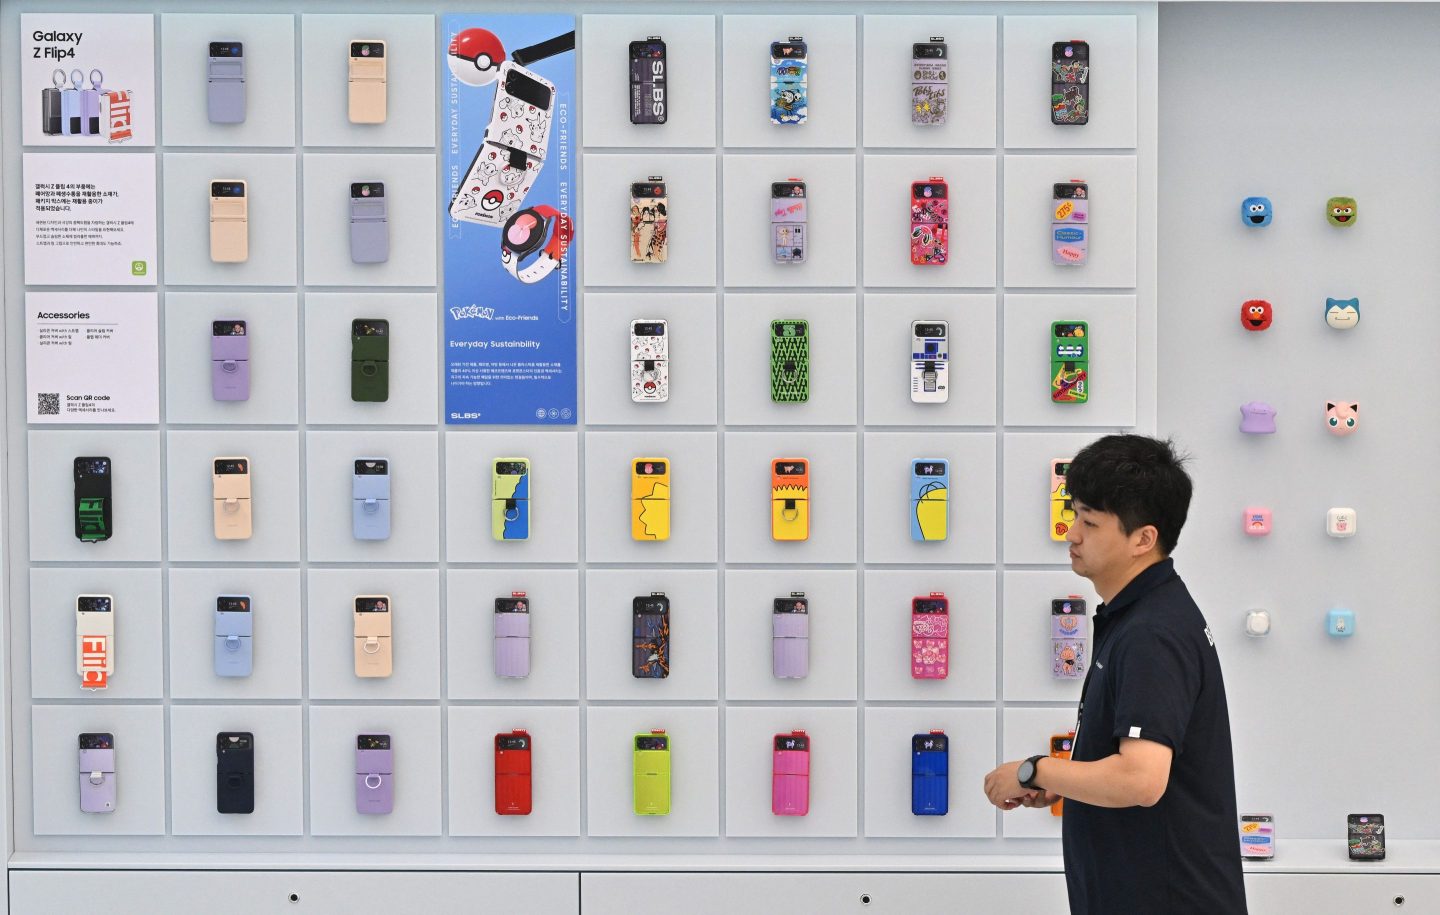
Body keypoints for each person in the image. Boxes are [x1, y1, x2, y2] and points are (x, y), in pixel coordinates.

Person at [982, 435, 1247, 914]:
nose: (1072, 534)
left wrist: (1034, 770)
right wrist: (1064, 781)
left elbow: (1140, 780)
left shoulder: (1153, 633)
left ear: (1143, 539)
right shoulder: (1141, 614)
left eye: (1089, 522)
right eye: (1075, 515)